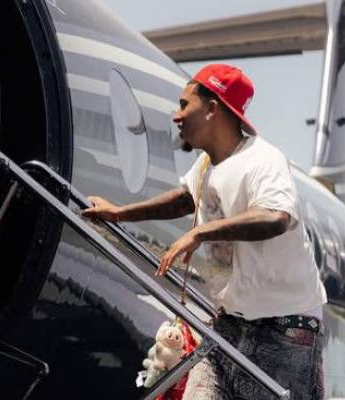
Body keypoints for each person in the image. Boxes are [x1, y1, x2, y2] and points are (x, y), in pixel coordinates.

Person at [82, 64, 327, 399]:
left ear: (212, 109)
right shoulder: (207, 166)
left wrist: (201, 232)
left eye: (185, 105)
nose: (176, 116)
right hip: (229, 325)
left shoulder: (263, 160)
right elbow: (185, 199)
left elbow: (276, 217)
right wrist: (119, 213)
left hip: (283, 332)